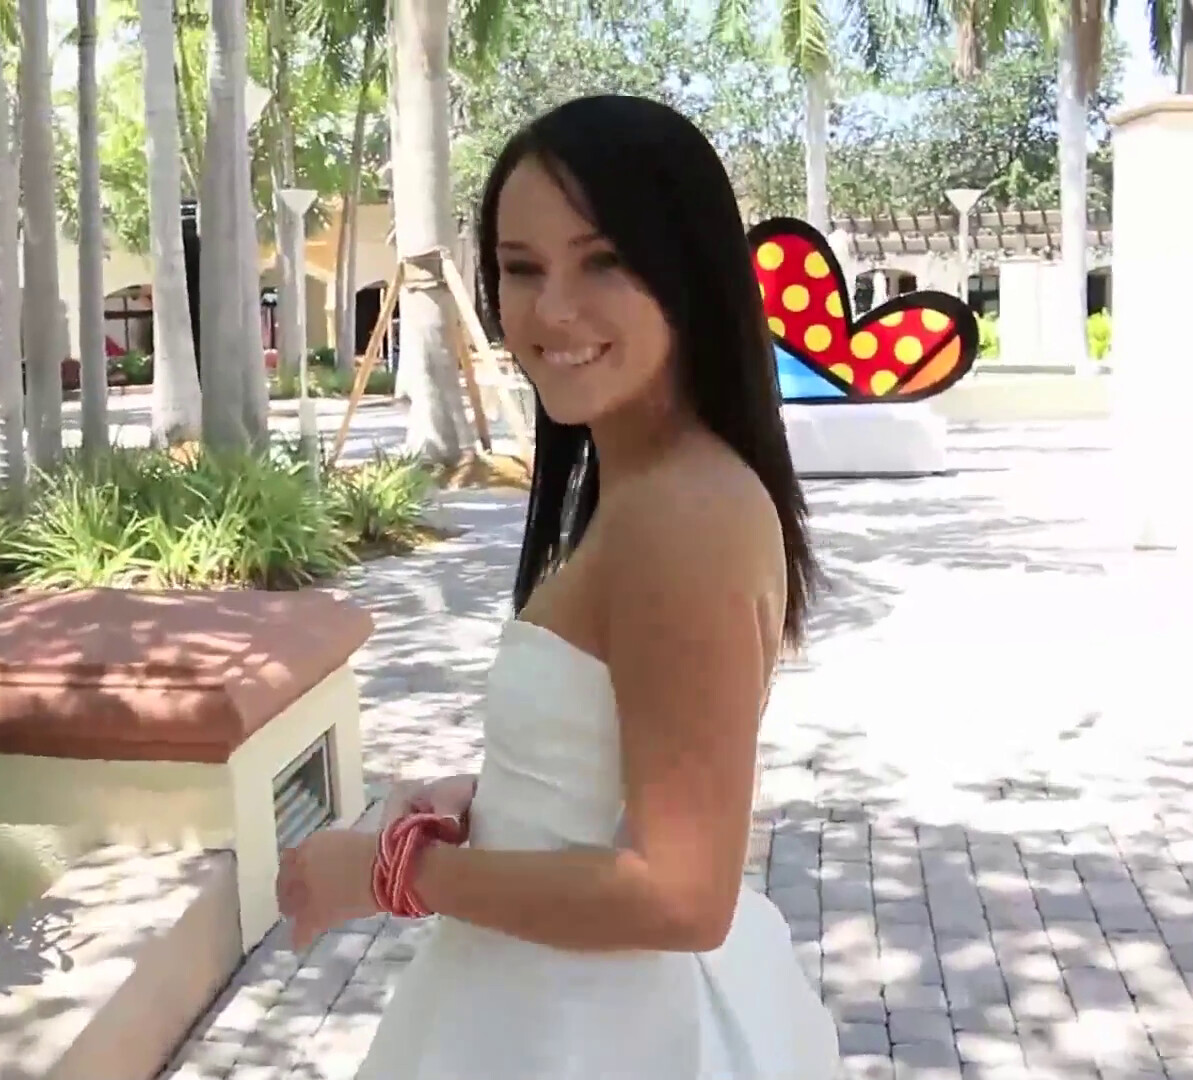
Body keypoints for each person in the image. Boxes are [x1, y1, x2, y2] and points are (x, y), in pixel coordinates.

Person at [275, 94, 840, 1079]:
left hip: (600, 1035)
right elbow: (627, 775)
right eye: (522, 268)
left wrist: (390, 873)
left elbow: (681, 896)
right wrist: (501, 804)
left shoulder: (682, 515)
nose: (553, 310)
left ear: (688, 271)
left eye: (603, 261)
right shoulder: (652, 486)